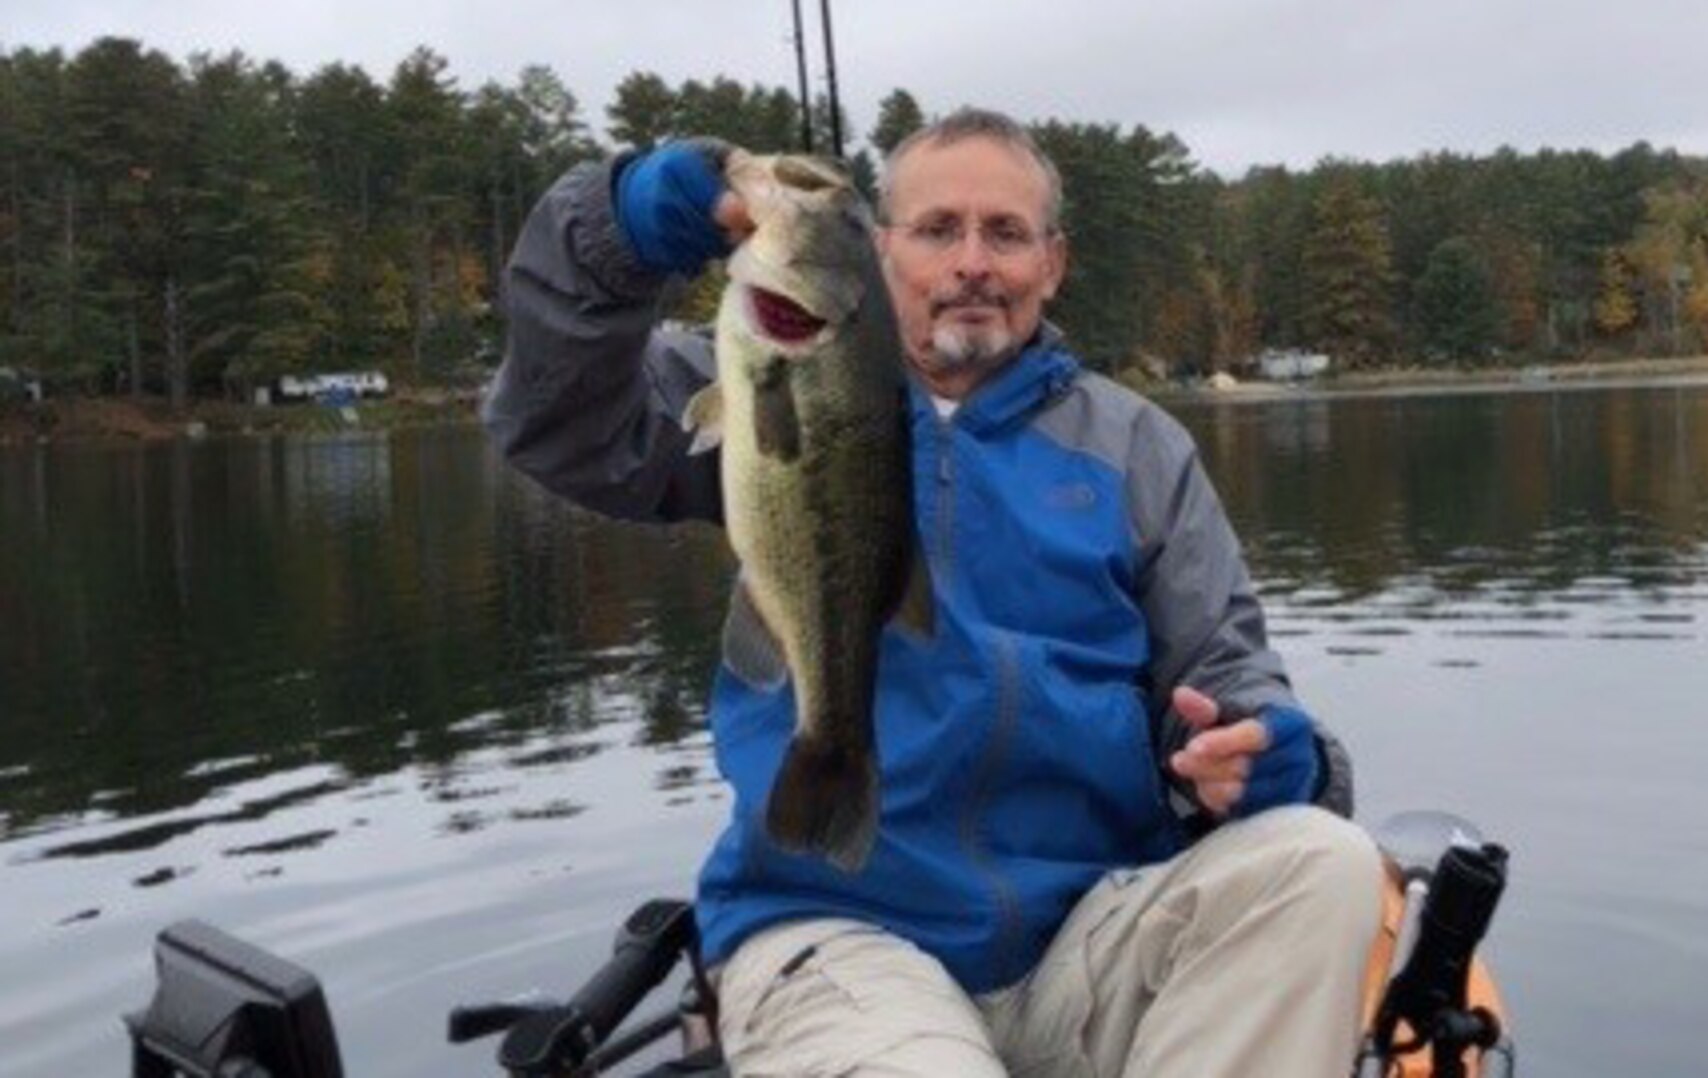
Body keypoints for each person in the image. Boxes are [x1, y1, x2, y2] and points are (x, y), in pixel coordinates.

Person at [484, 108, 1382, 1077]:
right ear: (878, 252)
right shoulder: (760, 374)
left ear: (1054, 261)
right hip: (840, 931)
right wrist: (617, 228)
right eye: (937, 229)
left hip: (1089, 930)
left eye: (1005, 232)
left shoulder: (1139, 450)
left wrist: (1271, 755)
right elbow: (556, 421)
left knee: (1324, 863)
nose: (972, 262)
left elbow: (1228, 671)